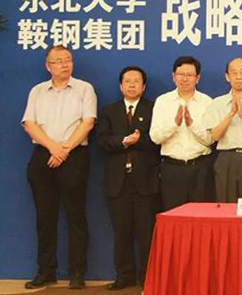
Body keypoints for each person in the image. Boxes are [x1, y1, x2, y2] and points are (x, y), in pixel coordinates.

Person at [21, 45, 96, 290]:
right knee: (45, 217)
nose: (65, 64)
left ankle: (77, 272)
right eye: (59, 61)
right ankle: (46, 271)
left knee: (76, 216)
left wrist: (64, 149)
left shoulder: (84, 88)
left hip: (74, 155)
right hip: (44, 153)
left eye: (68, 60)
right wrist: (53, 147)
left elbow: (88, 123)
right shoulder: (37, 91)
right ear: (48, 66)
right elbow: (29, 124)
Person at [97, 66, 160, 290]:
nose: (132, 85)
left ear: (144, 86)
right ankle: (123, 277)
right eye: (127, 81)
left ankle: (146, 278)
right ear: (120, 85)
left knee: (146, 233)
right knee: (121, 232)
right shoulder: (109, 110)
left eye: (137, 81)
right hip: (118, 182)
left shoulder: (154, 108)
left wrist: (138, 140)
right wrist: (123, 141)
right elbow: (102, 140)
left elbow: (158, 140)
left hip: (146, 181)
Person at [150, 56, 213, 211]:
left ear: (198, 78)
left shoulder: (207, 102)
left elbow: (211, 140)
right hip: (172, 169)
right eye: (180, 74)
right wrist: (174, 124)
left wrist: (192, 125)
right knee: (173, 214)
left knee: (201, 215)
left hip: (201, 168)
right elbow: (155, 138)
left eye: (189, 75)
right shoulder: (163, 101)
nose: (185, 79)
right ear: (173, 76)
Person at [203, 57, 242, 202]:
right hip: (227, 159)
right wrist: (231, 114)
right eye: (234, 73)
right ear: (227, 77)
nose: (238, 77)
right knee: (227, 204)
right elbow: (215, 136)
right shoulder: (217, 103)